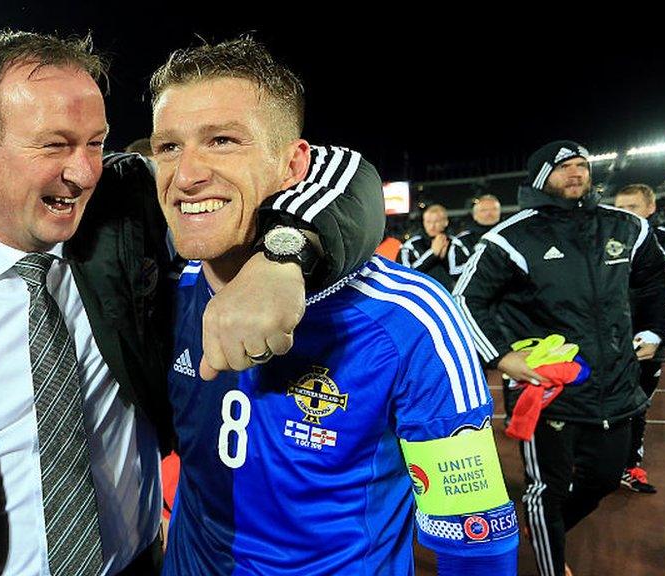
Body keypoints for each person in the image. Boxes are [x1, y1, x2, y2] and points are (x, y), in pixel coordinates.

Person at [0, 31, 382, 576]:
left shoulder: (130, 214)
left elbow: (341, 173)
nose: (84, 171)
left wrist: (280, 257)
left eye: (95, 142)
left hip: (141, 562)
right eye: (54, 144)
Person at [149, 37, 516, 575]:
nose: (186, 174)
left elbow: (474, 538)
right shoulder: (167, 291)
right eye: (168, 147)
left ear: (294, 163)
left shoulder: (409, 318)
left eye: (223, 141)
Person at [454, 141, 665, 576]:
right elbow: (466, 299)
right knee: (547, 489)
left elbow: (659, 278)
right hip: (547, 389)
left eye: (581, 166)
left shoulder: (626, 227)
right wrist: (502, 357)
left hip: (615, 382)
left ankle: (542, 529)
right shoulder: (510, 237)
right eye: (564, 168)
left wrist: (655, 332)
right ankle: (551, 561)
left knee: (606, 478)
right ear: (540, 177)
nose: (576, 174)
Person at [612, 183, 665, 493]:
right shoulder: (602, 240)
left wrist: (661, 337)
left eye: (632, 207)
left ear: (650, 208)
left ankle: (630, 466)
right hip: (606, 340)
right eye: (619, 207)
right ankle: (592, 466)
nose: (623, 213)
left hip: (646, 341)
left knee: (637, 406)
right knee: (595, 404)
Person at [399, 204, 470, 291]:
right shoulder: (410, 246)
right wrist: (432, 253)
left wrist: (445, 259)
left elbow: (466, 274)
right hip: (419, 296)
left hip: (448, 296)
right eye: (428, 222)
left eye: (436, 221)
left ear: (445, 222)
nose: (432, 226)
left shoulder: (455, 243)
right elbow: (405, 275)